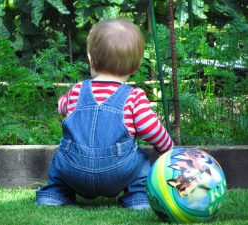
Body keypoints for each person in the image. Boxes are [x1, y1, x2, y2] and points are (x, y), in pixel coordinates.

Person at [36, 18, 173, 210]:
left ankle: (54, 194)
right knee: (141, 162)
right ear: (136, 67)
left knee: (61, 157)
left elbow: (62, 107)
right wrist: (167, 147)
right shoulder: (134, 97)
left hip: (73, 170)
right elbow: (151, 129)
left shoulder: (77, 91)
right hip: (118, 171)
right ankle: (138, 198)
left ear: (91, 59)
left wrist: (62, 101)